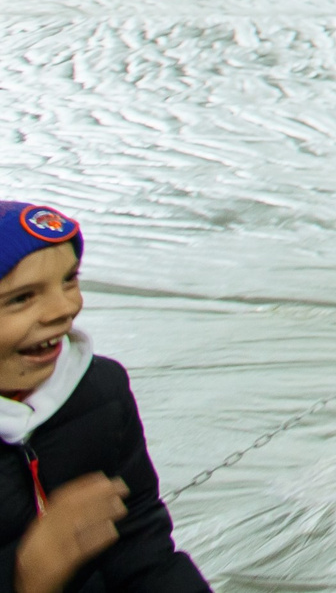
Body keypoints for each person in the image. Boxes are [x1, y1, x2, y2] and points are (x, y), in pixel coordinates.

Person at [0, 203, 209, 593]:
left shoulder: (100, 391)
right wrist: (30, 574)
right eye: (21, 298)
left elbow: (140, 541)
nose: (65, 309)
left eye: (69, 279)